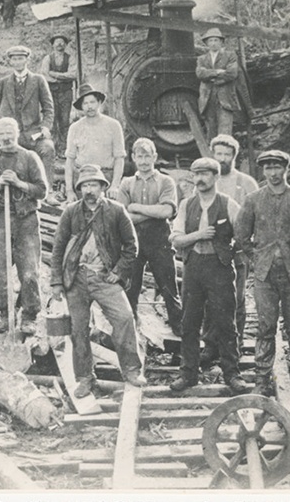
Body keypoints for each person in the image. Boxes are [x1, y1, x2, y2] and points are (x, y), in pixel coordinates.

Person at [235, 150, 290, 397]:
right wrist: (258, 257)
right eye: (268, 168)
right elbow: (241, 236)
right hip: (265, 277)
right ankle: (262, 379)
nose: (273, 173)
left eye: (277, 167)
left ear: (286, 168)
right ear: (262, 171)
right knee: (265, 328)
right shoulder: (253, 200)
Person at [51, 164, 145, 397]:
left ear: (103, 187)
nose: (89, 190)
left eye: (93, 184)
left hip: (104, 277)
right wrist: (56, 282)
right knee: (78, 329)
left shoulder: (116, 211)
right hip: (76, 277)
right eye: (84, 185)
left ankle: (132, 370)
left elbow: (132, 246)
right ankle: (84, 378)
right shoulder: (71, 212)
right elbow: (58, 248)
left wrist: (119, 271)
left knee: (123, 318)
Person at [169, 158, 249, 395]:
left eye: (205, 174)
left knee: (226, 322)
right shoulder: (186, 205)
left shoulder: (229, 204)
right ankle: (188, 373)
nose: (200, 179)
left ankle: (232, 374)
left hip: (220, 267)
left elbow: (244, 237)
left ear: (215, 177)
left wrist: (229, 252)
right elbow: (176, 238)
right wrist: (199, 235)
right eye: (196, 174)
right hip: (194, 266)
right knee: (189, 322)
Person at [0, 117, 47, 335]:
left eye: (10, 133)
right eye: (2, 134)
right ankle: (5, 315)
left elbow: (42, 190)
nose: (6, 138)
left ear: (17, 133)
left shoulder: (29, 157)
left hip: (26, 221)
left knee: (29, 271)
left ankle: (29, 316)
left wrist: (18, 183)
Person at [200, 134, 259, 365]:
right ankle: (210, 346)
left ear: (234, 156)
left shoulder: (246, 183)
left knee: (237, 298)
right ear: (212, 155)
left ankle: (235, 344)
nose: (222, 159)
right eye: (219, 154)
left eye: (227, 154)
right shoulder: (206, 180)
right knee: (209, 298)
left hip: (237, 249)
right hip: (210, 250)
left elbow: (256, 216)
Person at [118, 138, 182, 334]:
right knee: (131, 288)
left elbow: (166, 212)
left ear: (154, 157)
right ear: (133, 158)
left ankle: (179, 328)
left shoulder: (166, 181)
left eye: (148, 156)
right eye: (140, 156)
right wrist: (152, 211)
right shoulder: (126, 183)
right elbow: (122, 215)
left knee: (168, 285)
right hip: (133, 239)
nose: (144, 161)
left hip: (160, 237)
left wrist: (136, 207)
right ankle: (132, 330)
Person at [0, 45, 59, 205]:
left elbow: (49, 107)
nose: (18, 62)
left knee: (48, 148)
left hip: (32, 132)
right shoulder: (3, 83)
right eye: (14, 59)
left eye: (21, 58)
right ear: (10, 62)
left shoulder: (38, 80)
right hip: (11, 135)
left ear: (27, 60)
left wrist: (45, 127)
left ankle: (47, 192)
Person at [64, 83, 126, 202]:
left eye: (92, 102)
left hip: (105, 177)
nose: (89, 107)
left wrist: (114, 186)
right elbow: (70, 161)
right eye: (85, 103)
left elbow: (119, 158)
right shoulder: (75, 128)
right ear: (81, 107)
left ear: (98, 103)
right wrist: (69, 191)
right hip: (82, 178)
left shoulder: (113, 125)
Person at [196, 28, 240, 138]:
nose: (213, 43)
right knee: (211, 131)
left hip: (225, 98)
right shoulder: (202, 58)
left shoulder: (230, 55)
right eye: (210, 41)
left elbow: (232, 73)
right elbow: (200, 74)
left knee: (225, 132)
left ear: (221, 42)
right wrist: (217, 72)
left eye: (216, 40)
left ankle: (225, 154)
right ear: (206, 43)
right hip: (208, 98)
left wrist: (211, 77)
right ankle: (211, 154)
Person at [39, 34, 77, 156]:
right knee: (52, 120)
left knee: (65, 121)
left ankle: (63, 149)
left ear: (65, 45)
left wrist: (54, 74)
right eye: (57, 42)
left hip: (66, 93)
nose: (60, 44)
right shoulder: (47, 59)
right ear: (53, 44)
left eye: (62, 42)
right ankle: (53, 148)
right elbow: (44, 75)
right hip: (51, 93)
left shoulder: (71, 58)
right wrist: (60, 79)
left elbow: (73, 74)